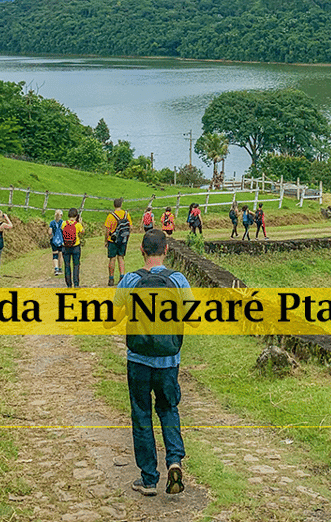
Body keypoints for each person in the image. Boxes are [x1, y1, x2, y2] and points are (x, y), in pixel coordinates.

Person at [115, 230, 189, 497]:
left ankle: (148, 479)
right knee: (169, 409)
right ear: (166, 250)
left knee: (142, 414)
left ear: (141, 250)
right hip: (169, 360)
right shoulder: (178, 280)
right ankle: (174, 462)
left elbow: (112, 316)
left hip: (138, 360)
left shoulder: (131, 280)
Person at [104, 198, 132, 287]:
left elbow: (107, 230)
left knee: (112, 259)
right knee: (121, 258)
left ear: (114, 205)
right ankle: (122, 277)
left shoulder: (111, 216)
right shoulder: (126, 214)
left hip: (112, 240)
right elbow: (130, 227)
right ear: (121, 205)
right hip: (123, 239)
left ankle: (111, 279)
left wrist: (106, 240)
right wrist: (127, 237)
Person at [61, 207, 84, 288]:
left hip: (65, 246)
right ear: (76, 215)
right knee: (76, 265)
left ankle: (69, 284)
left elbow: (62, 231)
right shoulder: (77, 225)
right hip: (75, 246)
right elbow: (82, 232)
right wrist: (80, 222)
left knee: (67, 265)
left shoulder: (64, 223)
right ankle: (76, 284)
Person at [48, 209, 64, 276]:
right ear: (61, 215)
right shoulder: (63, 222)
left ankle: (56, 269)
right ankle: (60, 269)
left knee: (55, 255)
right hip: (61, 241)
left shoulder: (52, 223)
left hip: (54, 241)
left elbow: (49, 232)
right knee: (60, 255)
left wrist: (51, 236)